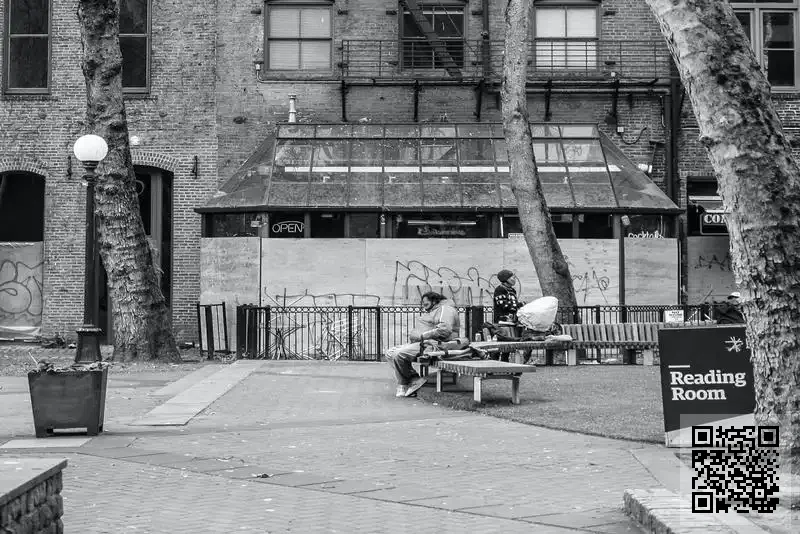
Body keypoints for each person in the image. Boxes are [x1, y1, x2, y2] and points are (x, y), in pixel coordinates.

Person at [385, 291, 461, 398]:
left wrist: (422, 336)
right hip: (422, 343)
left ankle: (403, 383)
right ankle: (414, 379)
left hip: (434, 344)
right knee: (389, 353)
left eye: (426, 304)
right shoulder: (435, 310)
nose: (424, 307)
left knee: (398, 354)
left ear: (434, 301)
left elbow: (444, 329)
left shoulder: (446, 309)